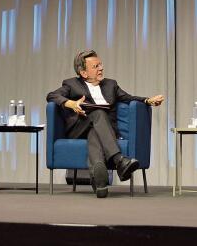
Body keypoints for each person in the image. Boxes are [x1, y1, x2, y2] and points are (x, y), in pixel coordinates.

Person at [46, 50, 164, 198]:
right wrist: (71, 104)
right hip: (79, 129)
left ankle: (99, 183)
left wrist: (148, 100)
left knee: (94, 133)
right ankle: (119, 160)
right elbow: (51, 95)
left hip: (103, 130)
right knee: (97, 113)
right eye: (95, 66)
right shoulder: (71, 84)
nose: (101, 68)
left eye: (100, 64)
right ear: (84, 73)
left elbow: (129, 98)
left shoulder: (111, 85)